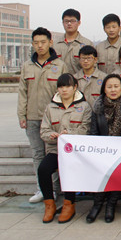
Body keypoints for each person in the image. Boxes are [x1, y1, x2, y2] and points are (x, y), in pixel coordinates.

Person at [17, 27, 67, 204]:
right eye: (36, 43)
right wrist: (21, 115)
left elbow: (65, 93)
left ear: (50, 42)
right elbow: (22, 92)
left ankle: (55, 188)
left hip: (53, 119)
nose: (40, 46)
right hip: (32, 117)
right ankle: (42, 189)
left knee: (52, 154)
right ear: (32, 44)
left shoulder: (60, 65)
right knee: (38, 153)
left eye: (43, 42)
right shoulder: (27, 66)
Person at [87, 74, 121, 224]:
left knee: (117, 172)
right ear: (104, 89)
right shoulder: (97, 107)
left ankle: (111, 205)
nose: (113, 90)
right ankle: (97, 205)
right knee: (101, 171)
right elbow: (93, 132)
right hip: (102, 151)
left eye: (116, 86)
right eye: (109, 87)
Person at [39, 73, 91, 224]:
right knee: (43, 170)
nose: (64, 90)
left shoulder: (84, 107)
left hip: (75, 152)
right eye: (61, 87)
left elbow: (86, 129)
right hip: (56, 149)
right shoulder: (50, 108)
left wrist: (70, 134)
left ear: (75, 87)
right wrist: (52, 135)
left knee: (68, 168)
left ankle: (69, 204)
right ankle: (49, 204)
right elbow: (44, 131)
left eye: (67, 86)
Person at [55, 8, 94, 74]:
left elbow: (93, 67)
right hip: (59, 80)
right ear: (62, 23)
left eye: (72, 21)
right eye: (66, 21)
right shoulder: (55, 45)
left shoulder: (87, 44)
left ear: (79, 23)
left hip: (79, 80)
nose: (69, 24)